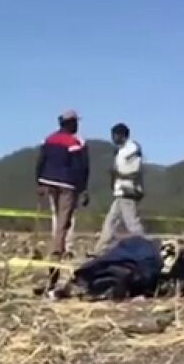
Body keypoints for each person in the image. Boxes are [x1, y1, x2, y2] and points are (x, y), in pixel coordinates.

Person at [36, 109, 90, 259]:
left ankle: (58, 245)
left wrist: (39, 181)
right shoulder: (74, 142)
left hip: (48, 181)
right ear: (70, 123)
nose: (77, 126)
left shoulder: (49, 139)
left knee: (56, 215)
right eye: (75, 123)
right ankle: (62, 248)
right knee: (66, 217)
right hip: (67, 184)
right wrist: (83, 188)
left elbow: (40, 161)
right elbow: (81, 167)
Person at [93, 123, 145, 254]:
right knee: (110, 222)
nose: (113, 138)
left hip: (128, 191)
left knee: (132, 224)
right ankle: (100, 250)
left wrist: (118, 174)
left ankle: (144, 248)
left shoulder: (132, 149)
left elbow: (135, 170)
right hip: (120, 192)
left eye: (115, 135)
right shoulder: (120, 151)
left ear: (122, 135)